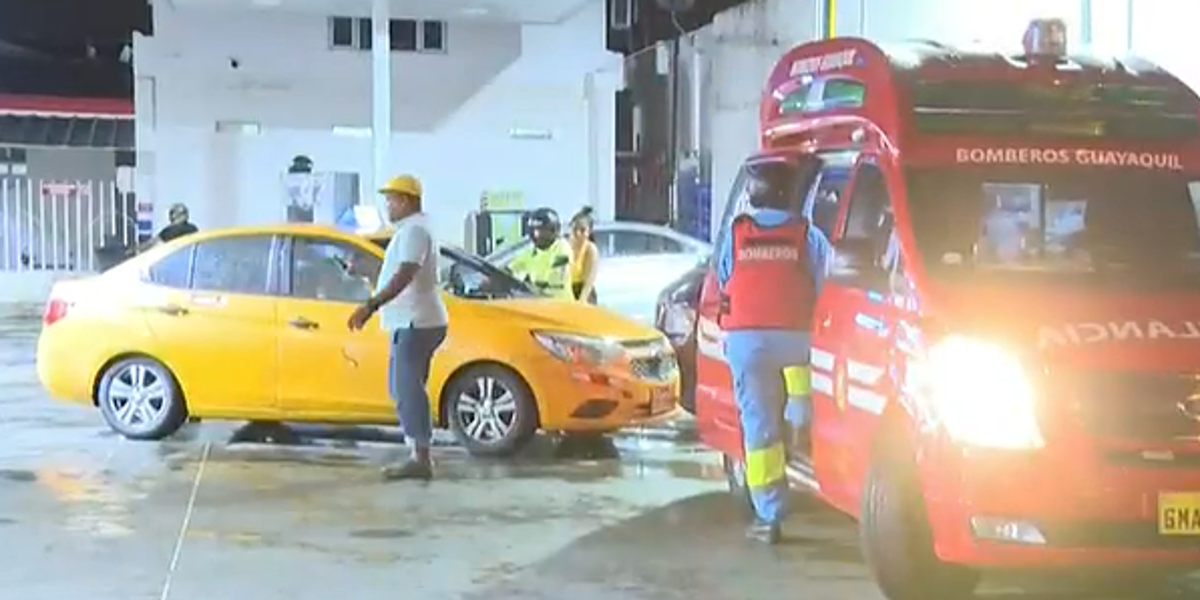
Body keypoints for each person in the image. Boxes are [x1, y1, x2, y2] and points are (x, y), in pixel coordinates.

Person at [716, 162, 832, 544]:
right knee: (802, 386)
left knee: (759, 427)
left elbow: (724, 276)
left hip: (748, 341)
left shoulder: (737, 234)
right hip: (797, 339)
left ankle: (769, 516)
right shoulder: (807, 234)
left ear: (754, 194)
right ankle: (800, 424)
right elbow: (826, 280)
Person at [347, 174, 449, 481]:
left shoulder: (415, 230)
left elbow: (406, 273)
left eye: (391, 200)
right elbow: (399, 272)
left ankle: (420, 458)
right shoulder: (411, 230)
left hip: (416, 322)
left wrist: (370, 306)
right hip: (414, 320)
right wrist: (367, 273)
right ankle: (419, 452)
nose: (388, 206)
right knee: (404, 388)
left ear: (406, 200)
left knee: (407, 390)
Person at [506, 207, 573, 299]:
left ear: (554, 230)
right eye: (534, 231)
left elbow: (554, 281)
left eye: (541, 231)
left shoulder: (562, 248)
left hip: (560, 304)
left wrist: (527, 286)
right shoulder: (532, 251)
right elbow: (511, 268)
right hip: (538, 303)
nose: (536, 235)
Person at [567, 206, 600, 303]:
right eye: (574, 229)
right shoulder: (563, 246)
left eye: (582, 230)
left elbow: (589, 281)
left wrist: (581, 301)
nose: (578, 233)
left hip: (583, 293)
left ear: (589, 232)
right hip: (566, 292)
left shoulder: (590, 249)